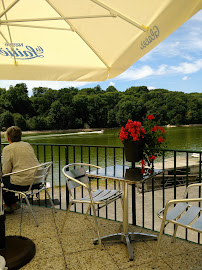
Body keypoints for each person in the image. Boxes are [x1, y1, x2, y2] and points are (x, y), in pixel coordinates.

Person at [2, 126, 39, 213]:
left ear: (8, 138)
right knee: (9, 179)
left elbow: (5, 171)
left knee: (3, 180)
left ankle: (11, 204)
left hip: (24, 183)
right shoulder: (27, 145)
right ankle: (11, 204)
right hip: (36, 181)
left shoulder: (7, 149)